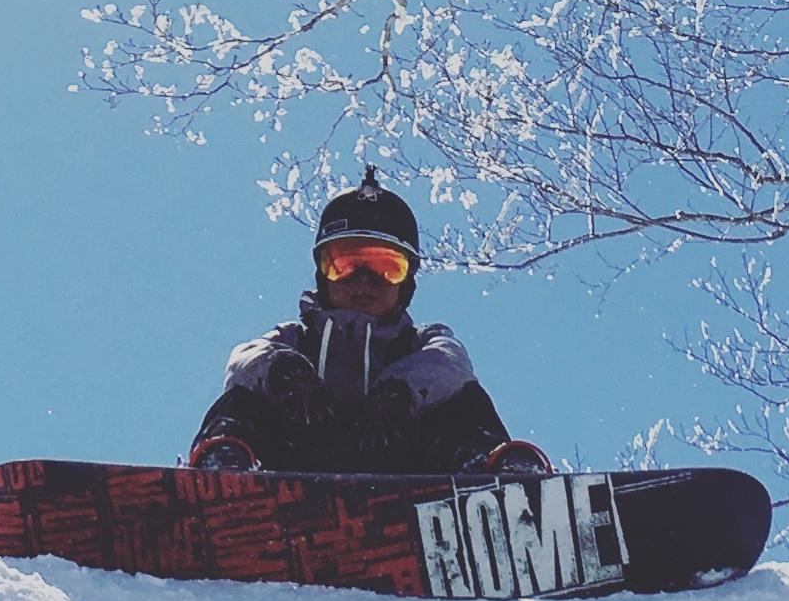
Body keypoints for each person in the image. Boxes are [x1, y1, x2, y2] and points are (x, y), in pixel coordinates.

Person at [187, 169, 548, 476]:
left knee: (463, 401)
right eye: (345, 265)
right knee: (246, 396)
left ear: (406, 285)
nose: (363, 283)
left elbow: (449, 361)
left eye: (385, 269)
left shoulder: (420, 344)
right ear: (323, 276)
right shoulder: (296, 340)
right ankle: (225, 474)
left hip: (403, 472)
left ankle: (495, 482)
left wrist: (401, 392)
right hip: (297, 463)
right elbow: (245, 360)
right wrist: (286, 374)